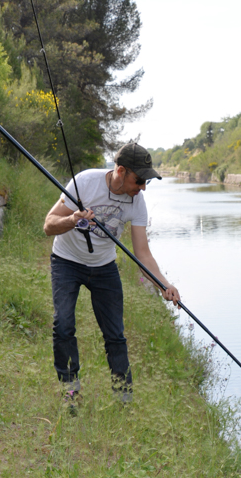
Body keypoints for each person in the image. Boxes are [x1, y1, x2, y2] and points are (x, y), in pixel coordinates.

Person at [43, 142, 180, 409]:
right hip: (67, 261)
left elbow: (142, 253)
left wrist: (164, 285)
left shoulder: (137, 203)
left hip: (104, 266)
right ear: (120, 171)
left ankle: (123, 398)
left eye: (146, 182)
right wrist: (72, 219)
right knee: (64, 325)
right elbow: (48, 225)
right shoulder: (84, 182)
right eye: (139, 180)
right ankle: (70, 392)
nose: (142, 188)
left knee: (115, 334)